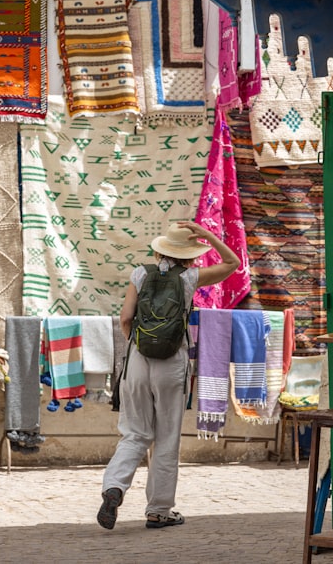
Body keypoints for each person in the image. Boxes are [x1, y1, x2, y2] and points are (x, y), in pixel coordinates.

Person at [98, 220, 240, 530]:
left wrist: (140, 346)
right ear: (190, 254)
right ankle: (159, 511)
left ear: (161, 250)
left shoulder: (140, 273)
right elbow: (233, 264)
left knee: (134, 433)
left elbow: (125, 319)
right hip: (172, 362)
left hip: (137, 357)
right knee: (166, 438)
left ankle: (114, 487)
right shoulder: (191, 278)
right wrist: (209, 236)